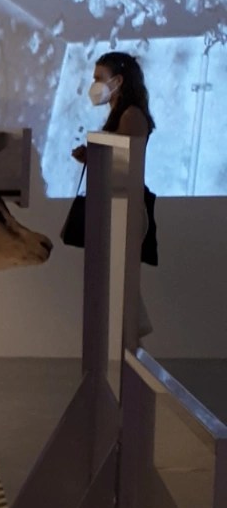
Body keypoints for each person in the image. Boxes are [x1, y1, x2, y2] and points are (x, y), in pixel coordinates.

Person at [71, 50, 155, 340]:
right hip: (115, 205)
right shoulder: (121, 115)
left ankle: (128, 341)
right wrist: (91, 156)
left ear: (117, 81)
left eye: (99, 78)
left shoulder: (131, 115)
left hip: (126, 207)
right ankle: (122, 342)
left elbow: (125, 161)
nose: (94, 85)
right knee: (112, 280)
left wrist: (96, 154)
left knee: (120, 281)